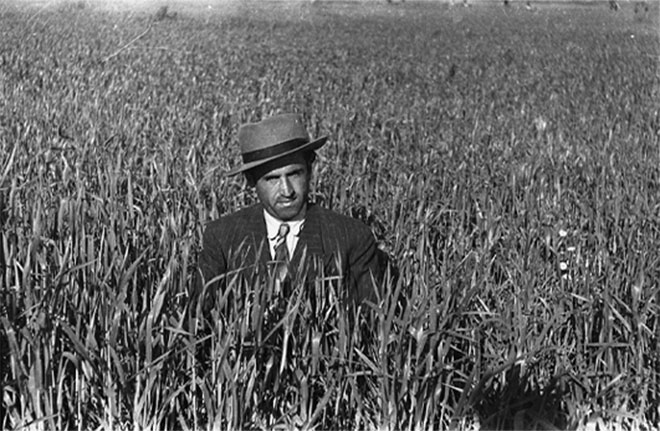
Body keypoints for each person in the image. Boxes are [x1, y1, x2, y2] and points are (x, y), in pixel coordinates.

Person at [196, 113, 386, 307]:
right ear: (251, 181)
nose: (287, 191)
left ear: (309, 171)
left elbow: (369, 323)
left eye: (294, 174)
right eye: (272, 179)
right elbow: (198, 320)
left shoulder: (351, 237)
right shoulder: (222, 237)